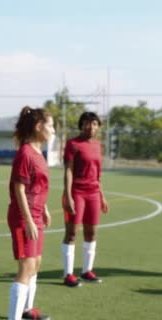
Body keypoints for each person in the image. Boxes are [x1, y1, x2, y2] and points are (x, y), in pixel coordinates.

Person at [7, 106, 54, 320]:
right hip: (23, 217)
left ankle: (28, 310)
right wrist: (27, 220)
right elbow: (19, 188)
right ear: (38, 127)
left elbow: (38, 186)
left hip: (35, 215)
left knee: (36, 263)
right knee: (26, 266)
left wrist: (43, 209)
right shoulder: (25, 153)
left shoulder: (38, 153)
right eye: (51, 126)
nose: (53, 131)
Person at [61, 112, 109, 288]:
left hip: (94, 194)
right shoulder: (73, 144)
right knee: (72, 233)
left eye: (95, 124)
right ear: (81, 125)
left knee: (91, 233)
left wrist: (102, 196)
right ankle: (68, 275)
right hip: (77, 193)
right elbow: (68, 171)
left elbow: (98, 174)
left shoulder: (97, 145)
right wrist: (68, 195)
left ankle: (87, 271)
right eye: (88, 123)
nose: (91, 127)